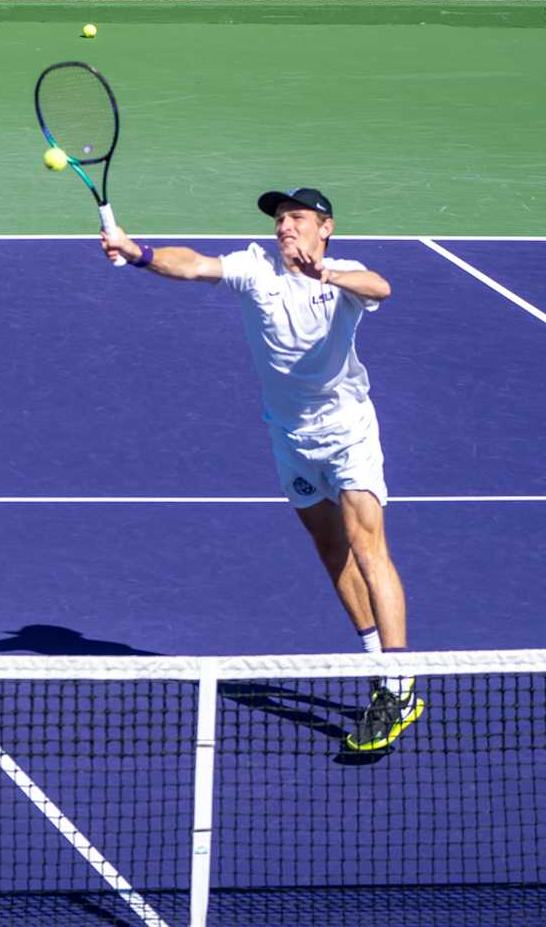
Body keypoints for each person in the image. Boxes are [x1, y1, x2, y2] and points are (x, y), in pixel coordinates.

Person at [101, 187, 422, 751]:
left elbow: (383, 287)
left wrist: (326, 276)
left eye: (296, 218)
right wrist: (139, 252)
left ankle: (399, 683)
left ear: (326, 227)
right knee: (330, 550)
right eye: (279, 219)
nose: (284, 227)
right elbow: (196, 266)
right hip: (289, 435)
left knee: (367, 545)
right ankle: (377, 665)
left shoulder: (343, 274)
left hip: (348, 431)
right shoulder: (256, 267)